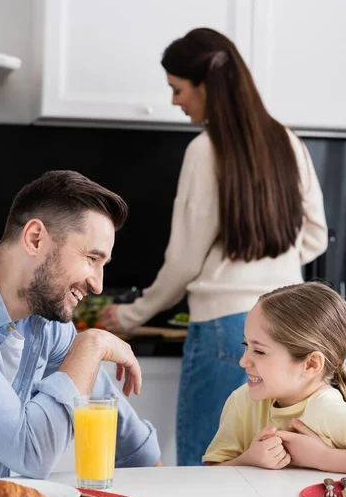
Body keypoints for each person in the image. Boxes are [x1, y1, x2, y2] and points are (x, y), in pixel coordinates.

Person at [99, 28, 328, 466]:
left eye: (177, 89)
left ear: (205, 84)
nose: (174, 101)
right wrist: (267, 266)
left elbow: (184, 260)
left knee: (204, 469)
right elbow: (315, 234)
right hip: (289, 333)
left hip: (229, 332)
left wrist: (129, 314)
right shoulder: (289, 142)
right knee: (272, 471)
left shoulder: (205, 150)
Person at [0, 170, 161, 479]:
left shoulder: (44, 318)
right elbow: (31, 453)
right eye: (92, 258)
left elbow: (125, 433)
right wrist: (92, 344)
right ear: (35, 238)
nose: (98, 284)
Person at [203, 282, 346, 470]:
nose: (243, 361)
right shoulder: (242, 402)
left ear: (311, 364)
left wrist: (322, 457)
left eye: (259, 351)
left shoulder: (328, 411)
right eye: (246, 345)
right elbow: (211, 472)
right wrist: (247, 460)